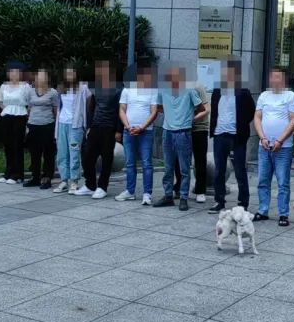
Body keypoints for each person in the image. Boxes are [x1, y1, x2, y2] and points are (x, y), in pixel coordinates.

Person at [153, 64, 206, 211]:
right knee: (168, 167)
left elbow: (201, 108)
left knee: (184, 168)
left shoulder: (189, 90)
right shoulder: (163, 90)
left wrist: (188, 116)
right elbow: (159, 107)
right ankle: (168, 195)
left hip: (183, 132)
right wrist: (172, 114)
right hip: (167, 131)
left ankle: (183, 197)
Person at [254, 67, 294, 227]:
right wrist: (262, 137)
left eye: (277, 77)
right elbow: (257, 118)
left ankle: (283, 214)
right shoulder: (264, 96)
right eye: (272, 77)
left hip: (283, 147)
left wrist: (280, 140)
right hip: (264, 146)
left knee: (283, 182)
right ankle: (263, 210)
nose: (274, 80)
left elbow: (293, 120)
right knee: (263, 180)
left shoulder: (291, 96)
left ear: (284, 79)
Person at [208, 60, 255, 214]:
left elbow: (251, 112)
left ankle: (243, 202)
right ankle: (219, 201)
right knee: (219, 171)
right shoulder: (217, 91)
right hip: (219, 135)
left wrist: (240, 126)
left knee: (240, 171)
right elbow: (214, 112)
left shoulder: (243, 92)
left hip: (237, 137)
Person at [76, 61, 123, 199]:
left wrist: (119, 130)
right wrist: (89, 126)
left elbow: (121, 110)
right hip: (95, 127)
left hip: (110, 128)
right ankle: (90, 185)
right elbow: (92, 108)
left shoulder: (119, 89)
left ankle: (102, 187)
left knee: (107, 158)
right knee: (87, 157)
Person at [116, 64, 160, 205]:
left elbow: (154, 112)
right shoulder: (127, 89)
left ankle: (147, 194)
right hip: (128, 131)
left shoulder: (153, 90)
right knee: (129, 163)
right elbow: (122, 110)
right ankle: (130, 191)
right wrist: (128, 126)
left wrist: (141, 127)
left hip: (146, 132)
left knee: (147, 163)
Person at [54, 66, 90, 194]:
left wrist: (85, 122)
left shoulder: (83, 88)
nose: (70, 75)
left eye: (72, 73)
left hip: (76, 125)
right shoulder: (61, 88)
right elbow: (58, 106)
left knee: (74, 153)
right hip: (62, 123)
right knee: (62, 153)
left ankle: (74, 180)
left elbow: (89, 104)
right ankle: (64, 180)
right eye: (67, 73)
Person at [175, 82, 211, 203]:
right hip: (182, 128)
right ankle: (179, 187)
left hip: (199, 128)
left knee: (200, 160)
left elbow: (207, 109)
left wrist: (191, 119)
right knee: (179, 160)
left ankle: (200, 191)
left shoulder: (197, 87)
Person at [0, 61, 32, 184]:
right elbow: (1, 102)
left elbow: (30, 104)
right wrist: (8, 110)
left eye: (17, 72)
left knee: (17, 145)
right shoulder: (3, 86)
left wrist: (28, 119)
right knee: (8, 145)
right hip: (6, 115)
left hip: (20, 116)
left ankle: (18, 174)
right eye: (11, 72)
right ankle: (8, 171)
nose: (14, 74)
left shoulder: (26, 86)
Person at [25, 69, 58, 189]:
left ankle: (47, 178)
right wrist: (27, 124)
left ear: (47, 79)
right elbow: (29, 108)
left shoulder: (53, 92)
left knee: (48, 153)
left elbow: (56, 110)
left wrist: (56, 126)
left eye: (43, 77)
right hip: (33, 125)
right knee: (34, 152)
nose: (40, 79)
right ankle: (35, 177)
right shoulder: (30, 91)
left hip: (47, 125)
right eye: (38, 77)